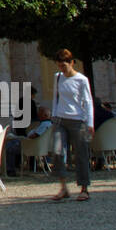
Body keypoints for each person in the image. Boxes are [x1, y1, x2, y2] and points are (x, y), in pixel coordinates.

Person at [49, 50, 94, 202]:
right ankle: (64, 188)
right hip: (60, 120)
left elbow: (88, 102)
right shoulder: (58, 77)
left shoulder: (82, 80)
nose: (62, 68)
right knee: (57, 151)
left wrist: (90, 123)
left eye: (65, 65)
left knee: (81, 154)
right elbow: (55, 98)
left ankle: (84, 188)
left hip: (78, 120)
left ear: (72, 62)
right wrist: (54, 117)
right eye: (60, 65)